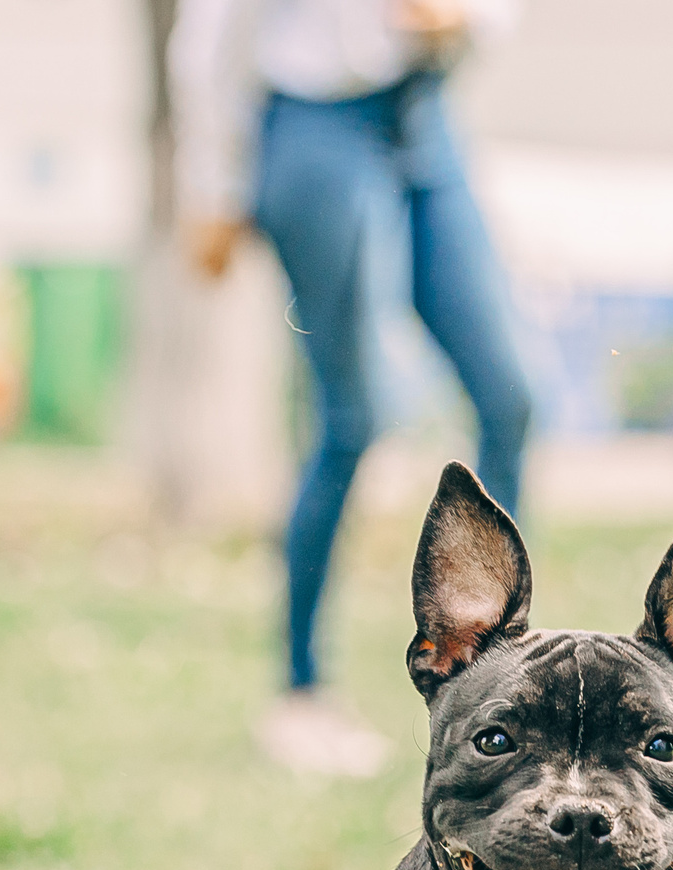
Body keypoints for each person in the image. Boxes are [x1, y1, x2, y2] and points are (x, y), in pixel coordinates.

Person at [172, 0, 535, 777]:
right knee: (356, 418)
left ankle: (509, 684)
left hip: (421, 115)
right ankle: (301, 694)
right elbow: (210, 35)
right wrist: (211, 186)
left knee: (510, 395)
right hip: (314, 128)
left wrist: (470, 20)